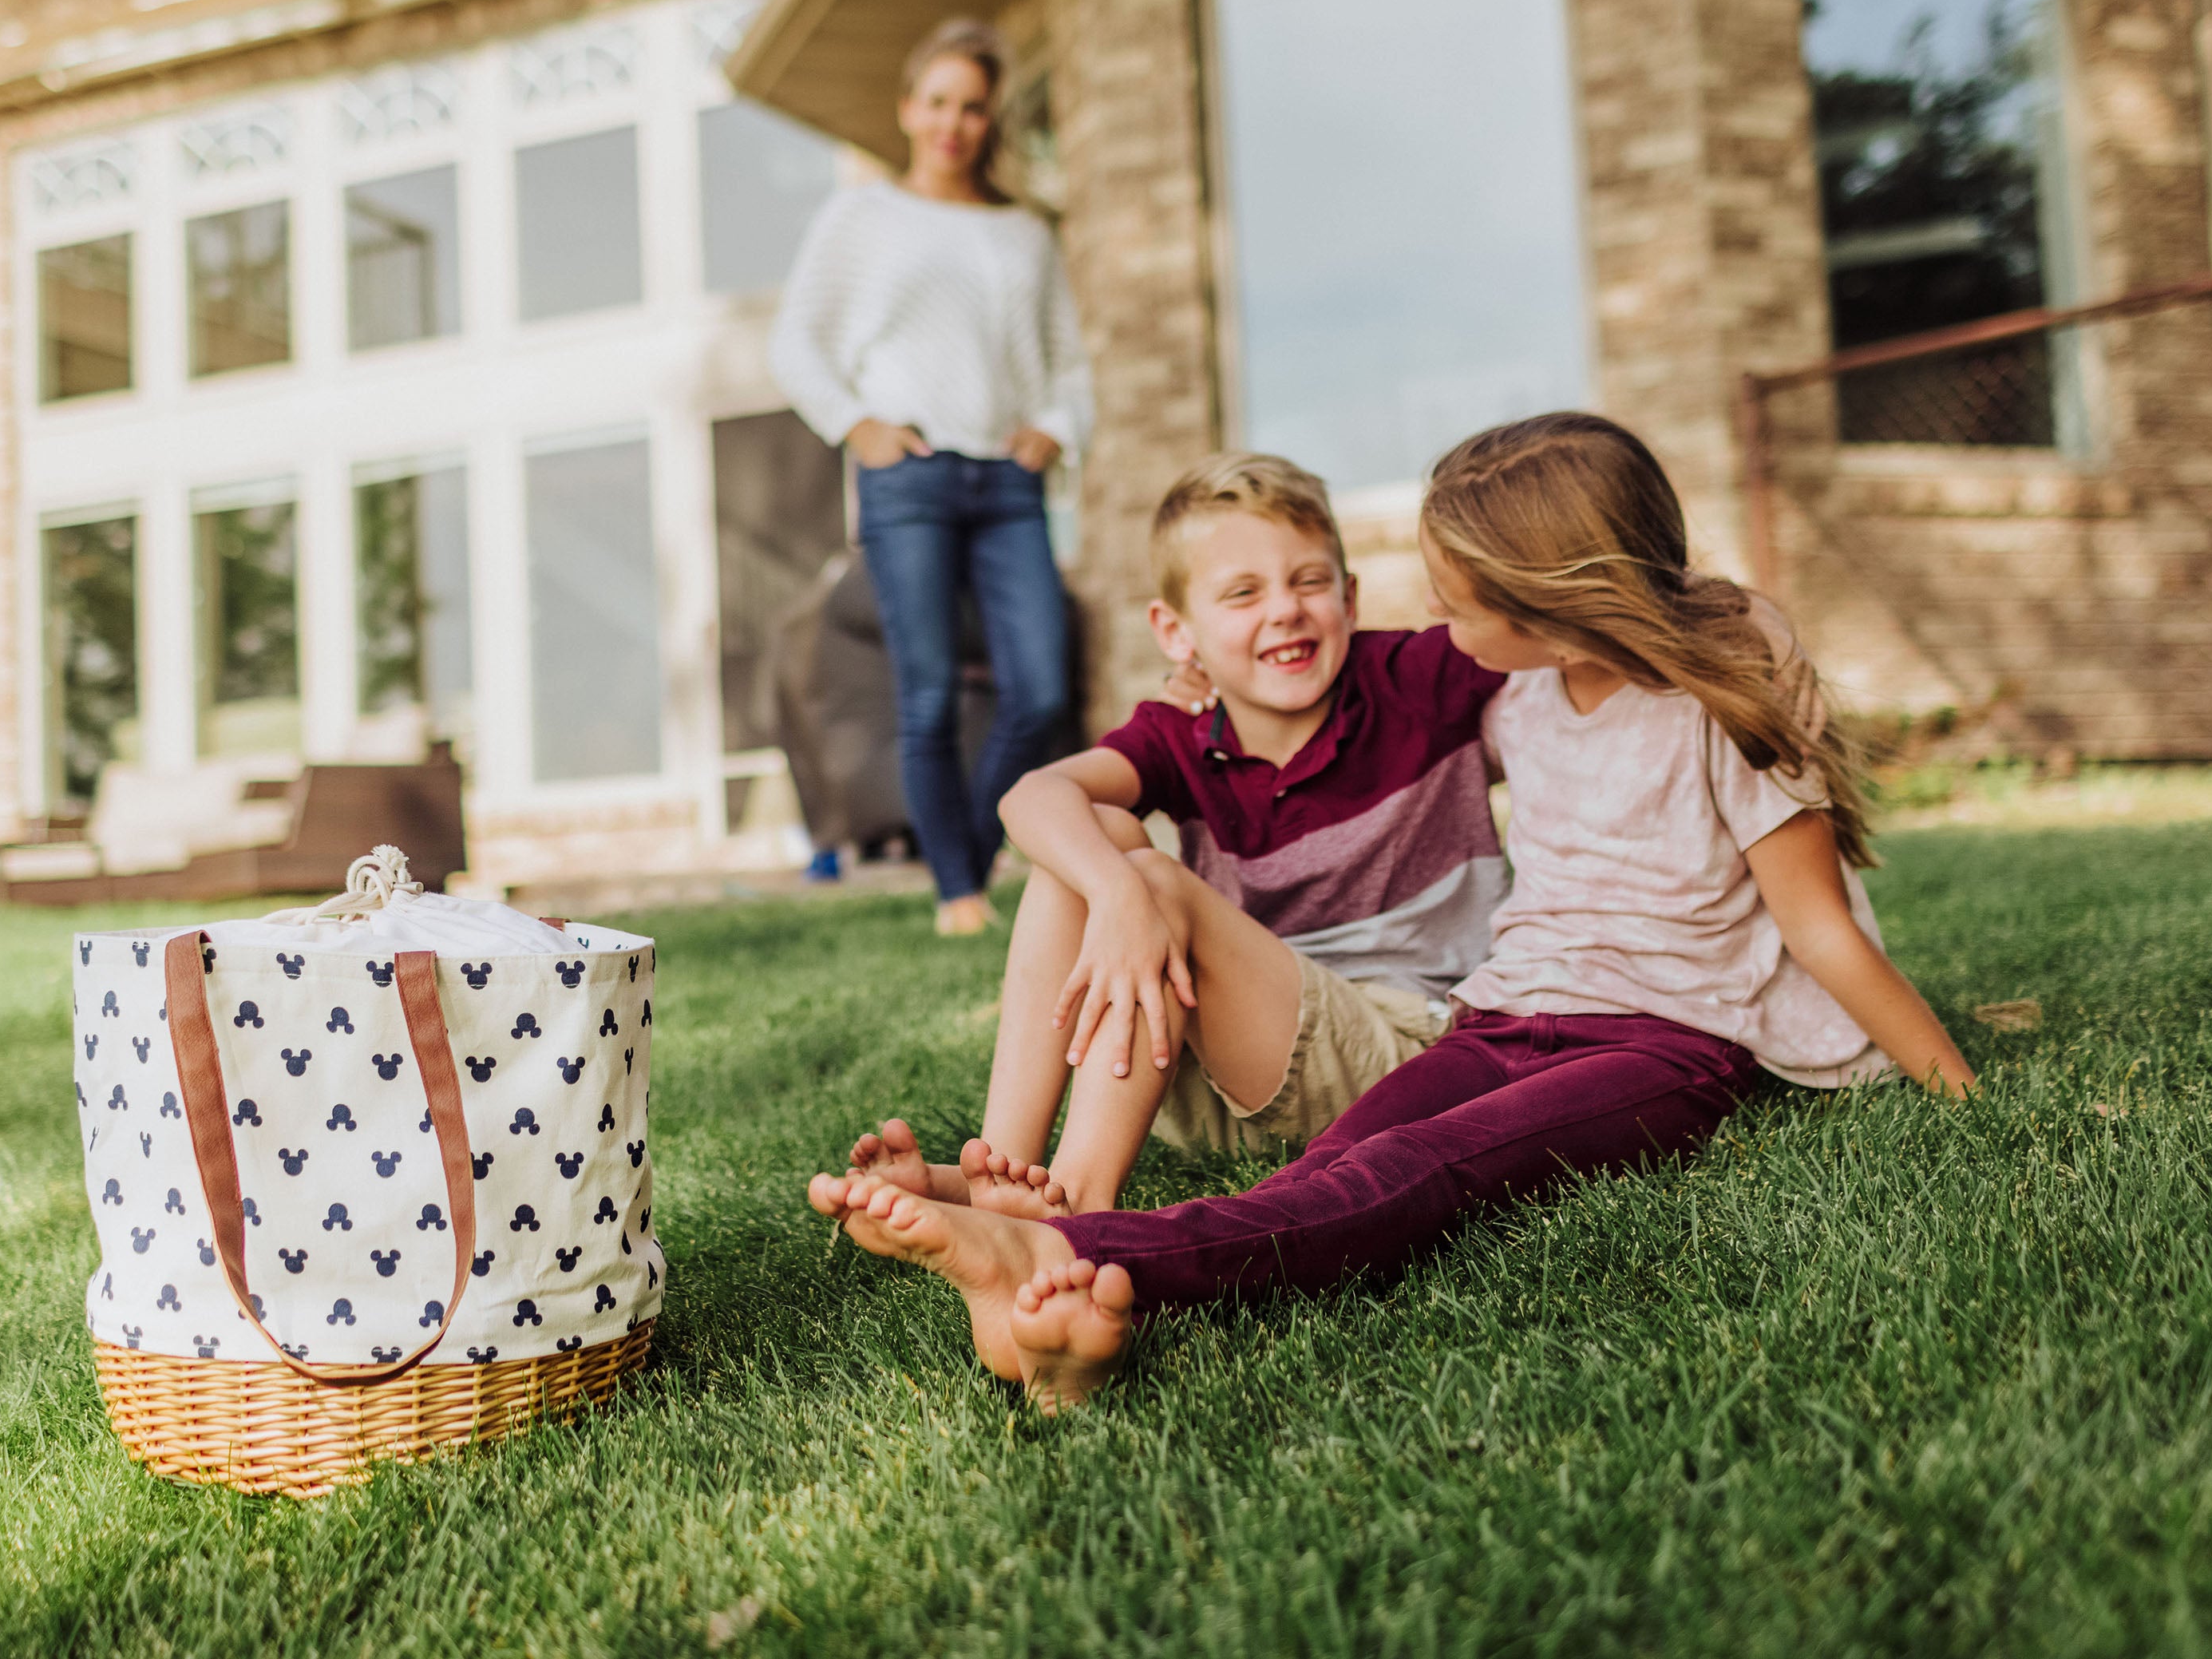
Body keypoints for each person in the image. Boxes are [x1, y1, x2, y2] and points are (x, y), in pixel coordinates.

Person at [808, 411, 1979, 1412]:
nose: (1431, 617)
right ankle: (1047, 1272)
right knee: (1326, 1164)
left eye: (1458, 600)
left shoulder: (1613, 691)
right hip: (1499, 1011)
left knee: (1412, 1170)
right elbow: (1054, 794)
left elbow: (1817, 920)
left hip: (1659, 1037)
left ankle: (1060, 1252)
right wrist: (1156, 800)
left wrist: (1959, 1090)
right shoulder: (1521, 688)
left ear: (1544, 606)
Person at [841, 452, 1510, 1218]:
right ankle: (1005, 1167)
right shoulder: (1185, 731)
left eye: (1310, 581)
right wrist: (1115, 886)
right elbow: (1032, 796)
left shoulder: (1417, 676)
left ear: (1350, 598)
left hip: (1402, 1054)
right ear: (1176, 631)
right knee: (1094, 836)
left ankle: (1077, 1209)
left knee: (1152, 881)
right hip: (1223, 1068)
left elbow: (1549, 641)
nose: (1285, 610)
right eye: (1242, 593)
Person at [770, 18, 1094, 936]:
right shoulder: (860, 217)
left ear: (992, 121)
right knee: (929, 691)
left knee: (1037, 690)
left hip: (1006, 483)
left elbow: (1067, 360)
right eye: (940, 102)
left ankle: (971, 856)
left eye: (974, 107)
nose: (955, 122)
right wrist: (857, 426)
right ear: (910, 109)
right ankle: (957, 894)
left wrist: (1057, 428)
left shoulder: (1024, 232)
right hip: (908, 476)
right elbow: (796, 342)